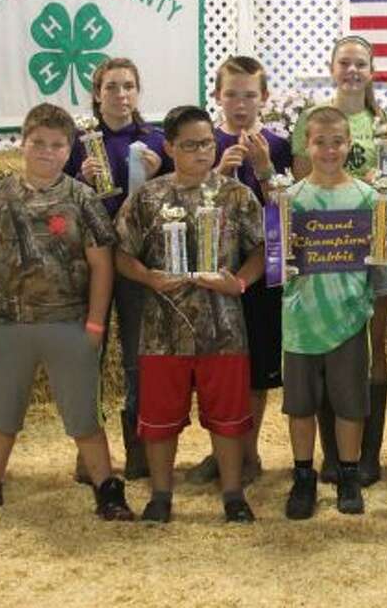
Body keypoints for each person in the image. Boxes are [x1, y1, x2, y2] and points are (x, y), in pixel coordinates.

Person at [0, 103, 133, 522]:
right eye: (38, 142)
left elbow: (101, 263)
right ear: (23, 141)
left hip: (68, 323)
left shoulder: (82, 198)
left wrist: (95, 322)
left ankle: (107, 486)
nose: (46, 152)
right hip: (7, 322)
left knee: (83, 415)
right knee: (0, 414)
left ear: (68, 149)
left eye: (56, 145)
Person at [114, 106, 265, 524]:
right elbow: (121, 253)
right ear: (170, 147)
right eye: (190, 145)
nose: (201, 152)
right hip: (163, 330)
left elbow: (262, 248)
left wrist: (240, 282)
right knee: (160, 419)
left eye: (207, 143)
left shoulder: (236, 195)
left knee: (229, 417)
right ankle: (161, 496)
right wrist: (149, 277)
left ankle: (233, 495)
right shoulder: (148, 197)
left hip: (224, 327)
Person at [291, 36, 387, 486]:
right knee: (324, 346)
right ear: (332, 66)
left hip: (370, 248)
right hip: (323, 249)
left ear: (372, 70)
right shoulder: (312, 120)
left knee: (371, 348)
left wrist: (364, 185)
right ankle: (332, 457)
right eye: (345, 62)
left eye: (361, 63)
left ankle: (367, 455)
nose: (353, 70)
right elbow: (303, 183)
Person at [184, 55, 293, 488]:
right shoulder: (203, 143)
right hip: (213, 268)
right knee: (217, 366)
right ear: (217, 97)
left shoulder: (280, 145)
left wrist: (265, 170)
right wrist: (217, 174)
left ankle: (249, 453)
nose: (241, 104)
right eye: (232, 94)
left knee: (258, 365)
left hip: (262, 270)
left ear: (264, 98)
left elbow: (285, 214)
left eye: (250, 95)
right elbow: (182, 202)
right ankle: (221, 450)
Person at [64, 57, 171, 482]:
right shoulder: (78, 141)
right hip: (88, 258)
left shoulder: (156, 142)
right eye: (112, 87)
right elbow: (59, 197)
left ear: (138, 92)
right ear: (97, 93)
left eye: (128, 86)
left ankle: (140, 447)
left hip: (135, 258)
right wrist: (78, 175)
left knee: (136, 356)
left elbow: (172, 202)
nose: (121, 94)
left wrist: (161, 176)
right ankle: (89, 452)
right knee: (88, 354)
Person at [281, 107, 378, 520]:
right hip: (301, 318)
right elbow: (277, 263)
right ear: (307, 144)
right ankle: (303, 477)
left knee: (350, 403)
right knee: (300, 405)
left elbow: (381, 262)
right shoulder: (289, 200)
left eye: (337, 141)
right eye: (320, 141)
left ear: (349, 145)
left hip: (349, 315)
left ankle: (348, 474)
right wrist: (282, 260)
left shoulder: (368, 198)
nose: (328, 149)